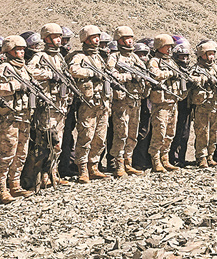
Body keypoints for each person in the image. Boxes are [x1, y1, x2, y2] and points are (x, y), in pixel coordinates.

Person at [0, 35, 35, 201]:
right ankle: (2, 189)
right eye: (18, 50)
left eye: (23, 49)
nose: (21, 52)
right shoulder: (4, 68)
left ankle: (15, 185)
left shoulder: (24, 68)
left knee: (21, 153)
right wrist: (15, 86)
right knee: (6, 153)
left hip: (24, 117)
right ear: (9, 51)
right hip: (10, 117)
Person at [27, 23, 73, 185]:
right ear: (46, 39)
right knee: (45, 142)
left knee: (57, 143)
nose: (59, 40)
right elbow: (29, 72)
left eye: (60, 36)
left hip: (60, 105)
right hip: (47, 106)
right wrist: (50, 75)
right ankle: (37, 177)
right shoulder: (39, 56)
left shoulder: (59, 57)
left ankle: (52, 173)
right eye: (55, 37)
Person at [67, 25, 112, 181]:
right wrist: (91, 73)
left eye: (98, 37)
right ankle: (82, 169)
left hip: (102, 103)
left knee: (100, 136)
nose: (97, 40)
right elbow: (73, 70)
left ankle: (94, 165)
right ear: (86, 39)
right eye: (93, 37)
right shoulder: (79, 57)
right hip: (88, 103)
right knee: (86, 135)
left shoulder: (99, 57)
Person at [108, 26, 147, 177]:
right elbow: (112, 75)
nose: (130, 41)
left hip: (135, 100)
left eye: (131, 38)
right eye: (126, 39)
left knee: (132, 133)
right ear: (119, 41)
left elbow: (144, 72)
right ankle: (118, 164)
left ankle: (128, 162)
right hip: (122, 102)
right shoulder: (114, 57)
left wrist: (140, 77)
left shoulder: (135, 58)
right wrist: (129, 77)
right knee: (121, 133)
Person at [146, 34, 182, 172]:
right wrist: (169, 74)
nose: (169, 49)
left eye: (170, 46)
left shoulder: (171, 61)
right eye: (166, 46)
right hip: (161, 103)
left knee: (170, 132)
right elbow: (154, 74)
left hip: (172, 101)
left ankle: (165, 158)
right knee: (159, 132)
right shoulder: (154, 61)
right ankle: (155, 160)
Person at [189, 41, 217, 167]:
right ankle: (201, 157)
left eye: (212, 54)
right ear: (202, 55)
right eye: (208, 54)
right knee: (202, 132)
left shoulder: (215, 68)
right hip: (202, 105)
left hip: (215, 104)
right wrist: (206, 79)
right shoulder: (196, 69)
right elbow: (191, 79)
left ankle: (210, 155)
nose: (211, 57)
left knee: (214, 132)